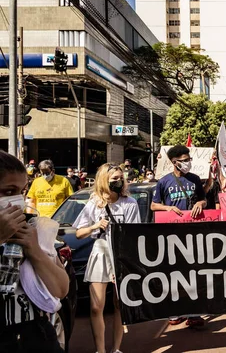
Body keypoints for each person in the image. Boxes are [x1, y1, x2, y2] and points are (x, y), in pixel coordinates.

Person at [0, 151, 69, 352]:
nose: (17, 200)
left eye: (21, 191)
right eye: (8, 191)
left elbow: (61, 289)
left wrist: (35, 250)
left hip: (36, 335)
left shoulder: (32, 229)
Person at [73, 163, 141, 353]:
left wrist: (125, 263)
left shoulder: (130, 203)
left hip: (121, 255)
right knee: (96, 306)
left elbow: (133, 235)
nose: (119, 182)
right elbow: (79, 233)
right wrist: (95, 226)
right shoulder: (94, 203)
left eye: (121, 178)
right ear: (104, 181)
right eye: (114, 179)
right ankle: (100, 350)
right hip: (100, 252)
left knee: (119, 305)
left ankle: (116, 349)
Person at [151, 145, 207, 328]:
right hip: (171, 235)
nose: (188, 163)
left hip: (192, 234)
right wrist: (168, 208)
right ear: (174, 162)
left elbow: (204, 199)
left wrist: (200, 202)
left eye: (189, 159)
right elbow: (153, 205)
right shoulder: (163, 182)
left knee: (194, 273)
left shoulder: (195, 179)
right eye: (184, 160)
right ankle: (175, 311)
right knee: (174, 274)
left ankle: (194, 313)